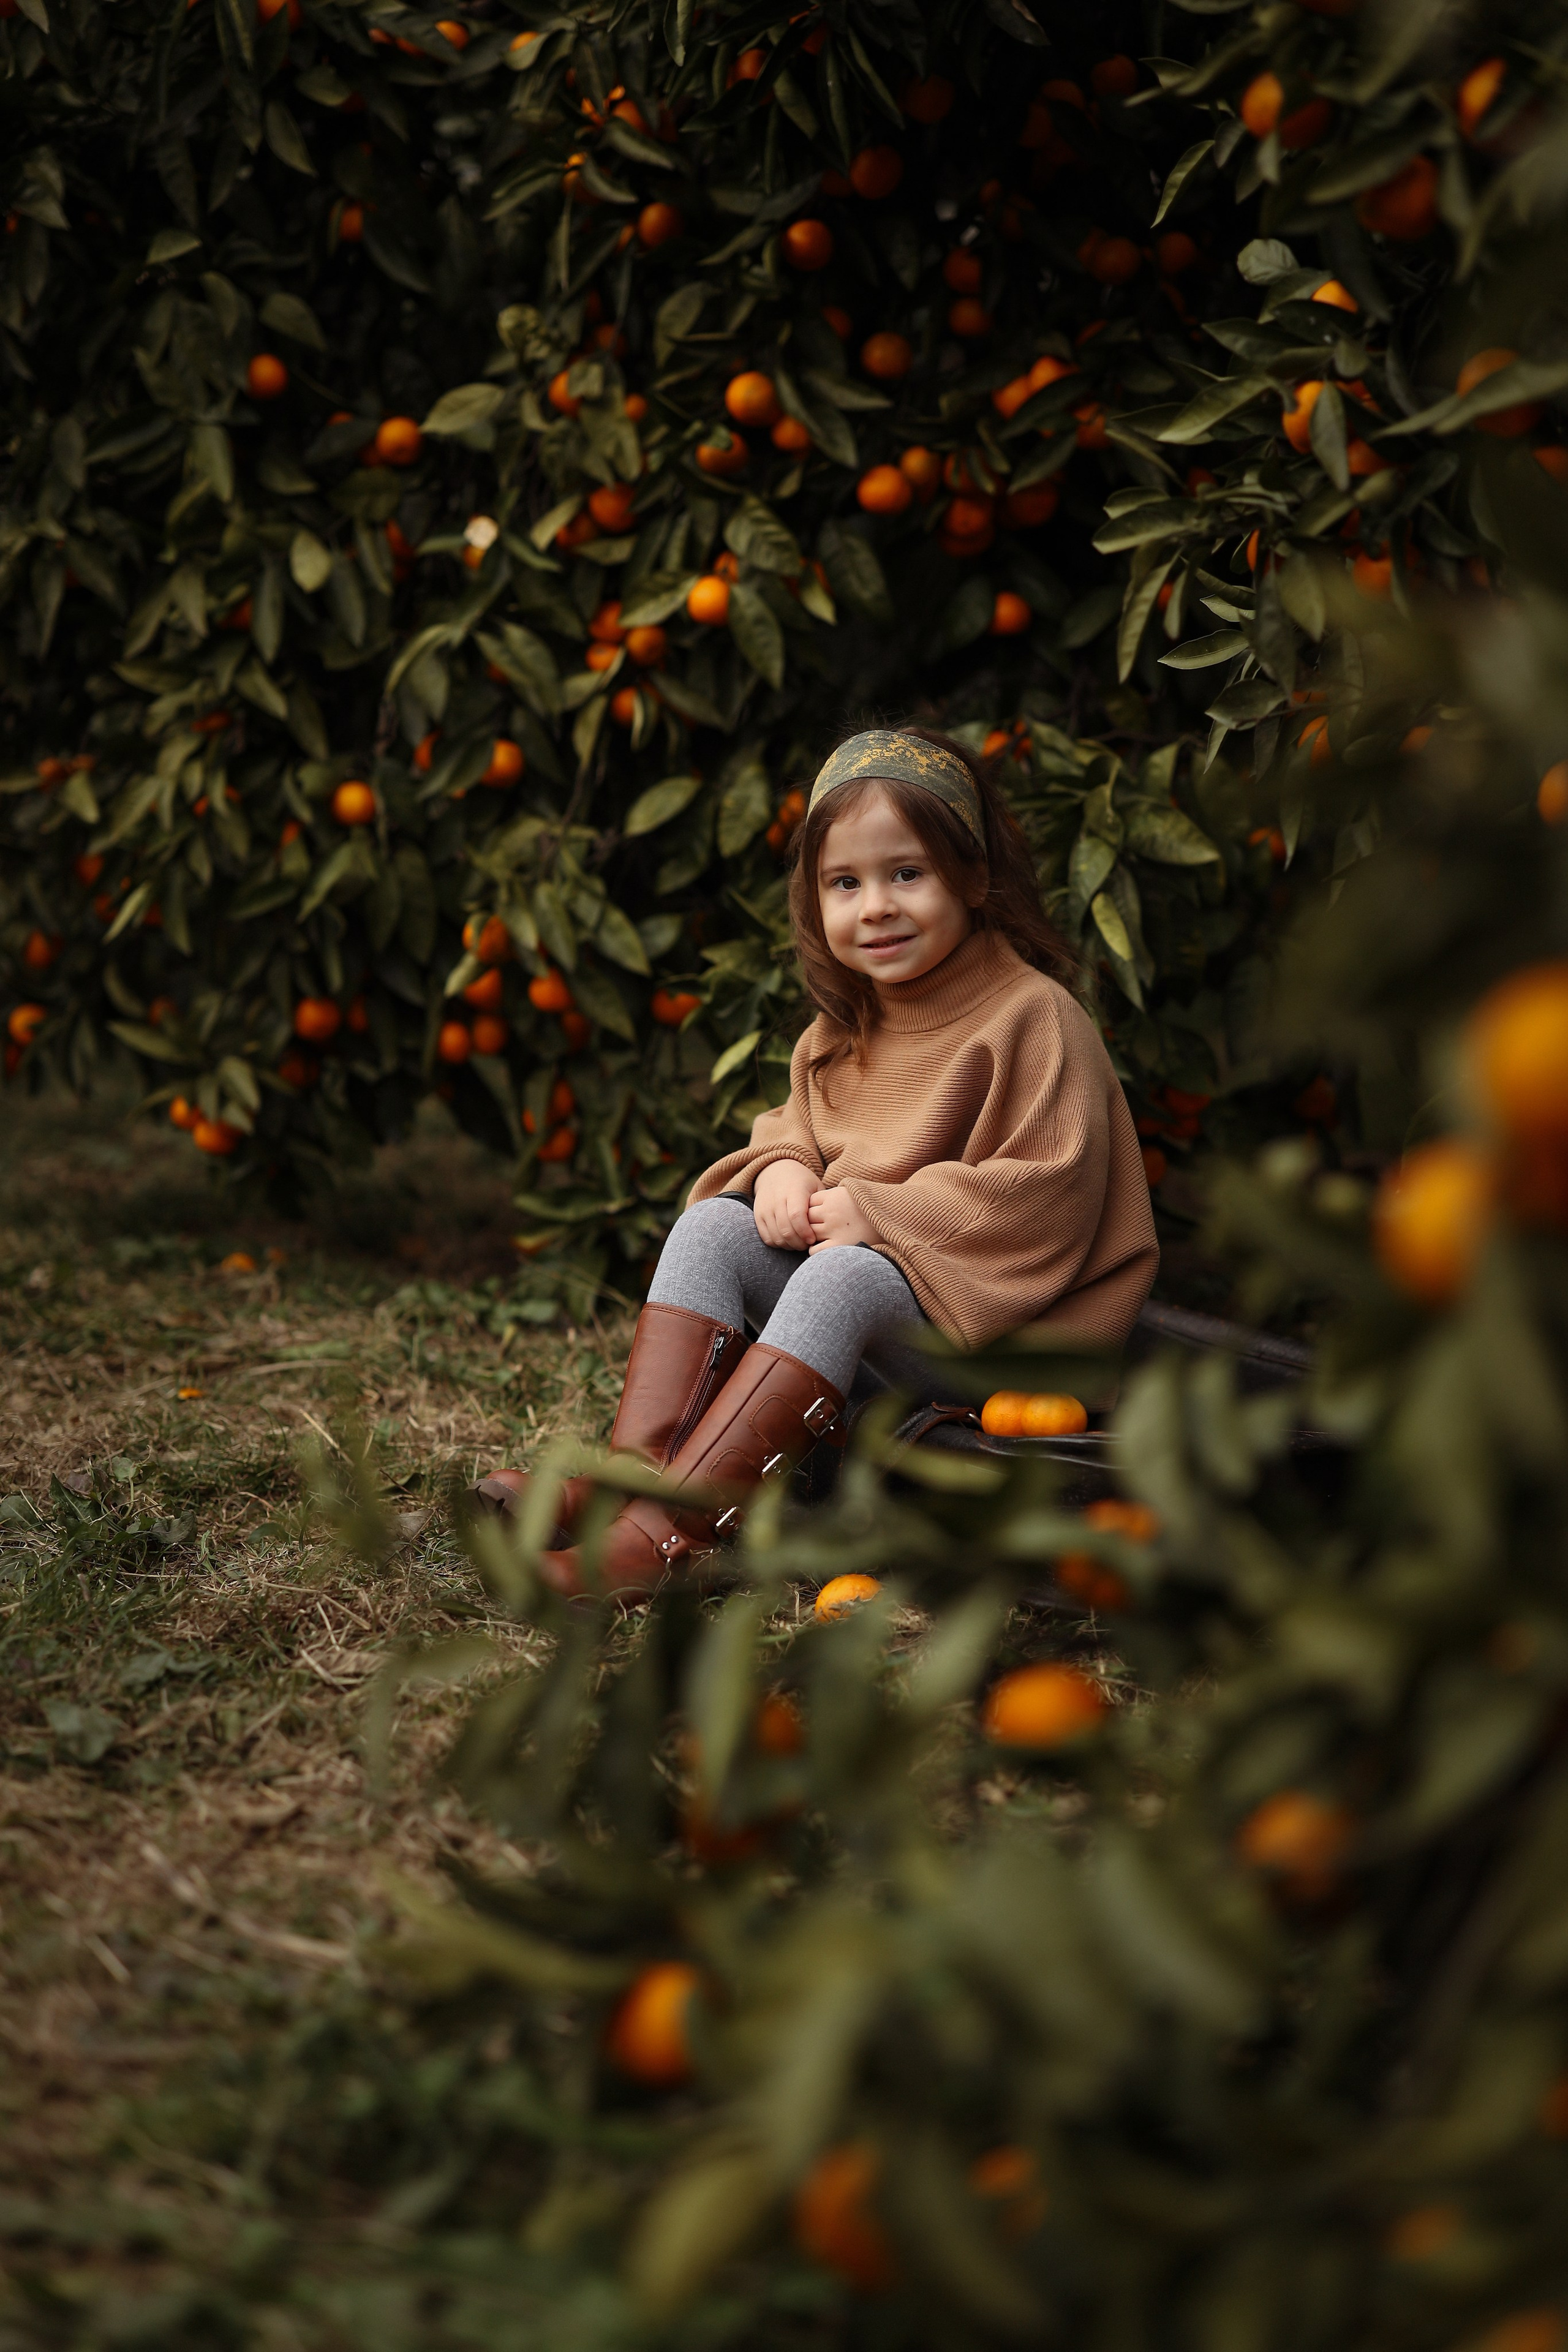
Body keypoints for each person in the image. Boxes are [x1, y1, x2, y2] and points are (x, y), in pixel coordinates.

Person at [480, 724, 1158, 1595]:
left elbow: (1047, 1192)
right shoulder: (844, 1028)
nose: (874, 905)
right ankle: (642, 1486)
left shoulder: (1035, 1018)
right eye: (846, 883)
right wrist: (785, 1168)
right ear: (816, 901)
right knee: (713, 1229)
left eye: (905, 873)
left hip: (1008, 1347)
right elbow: (793, 1126)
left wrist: (883, 1214)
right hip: (889, 1333)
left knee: (848, 1277)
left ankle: (675, 1540)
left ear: (975, 878)